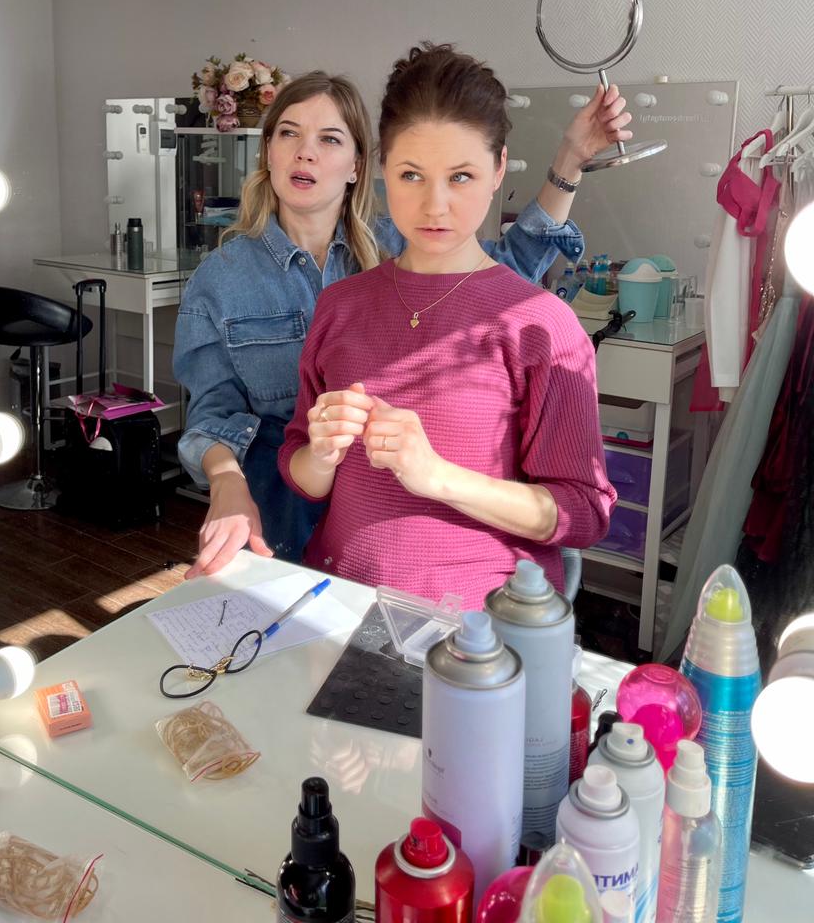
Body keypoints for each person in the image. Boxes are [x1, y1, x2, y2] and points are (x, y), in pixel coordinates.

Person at [175, 68, 629, 578]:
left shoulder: (408, 238)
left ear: (359, 164)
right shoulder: (234, 279)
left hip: (454, 572)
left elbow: (504, 281)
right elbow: (217, 411)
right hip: (287, 514)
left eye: (329, 139)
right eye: (289, 133)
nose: (306, 153)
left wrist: (568, 163)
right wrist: (230, 480)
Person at [278, 45, 617, 607]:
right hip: (338, 603)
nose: (435, 206)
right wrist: (321, 452)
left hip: (476, 627)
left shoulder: (540, 325)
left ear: (498, 170)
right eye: (411, 175)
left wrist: (438, 476)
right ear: (382, 169)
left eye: (461, 177)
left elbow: (583, 512)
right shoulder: (340, 305)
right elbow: (304, 476)